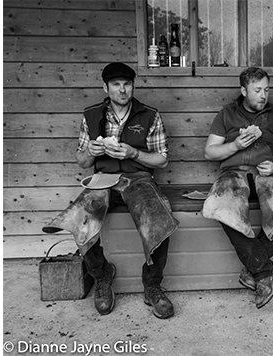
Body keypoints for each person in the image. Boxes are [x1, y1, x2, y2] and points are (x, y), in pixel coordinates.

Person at [42, 62, 179, 319]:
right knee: (79, 219)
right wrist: (89, 152)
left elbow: (162, 160)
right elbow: (82, 162)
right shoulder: (92, 116)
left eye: (127, 84)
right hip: (102, 178)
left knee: (159, 218)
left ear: (133, 86)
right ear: (105, 87)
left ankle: (152, 285)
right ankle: (102, 274)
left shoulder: (150, 115)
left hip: (138, 178)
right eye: (116, 84)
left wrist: (134, 152)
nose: (122, 90)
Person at [202, 67, 273, 309]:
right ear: (243, 91)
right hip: (232, 174)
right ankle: (264, 271)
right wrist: (235, 145)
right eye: (257, 90)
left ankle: (255, 270)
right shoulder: (227, 114)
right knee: (222, 208)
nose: (263, 95)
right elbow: (210, 152)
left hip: (266, 173)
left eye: (267, 90)